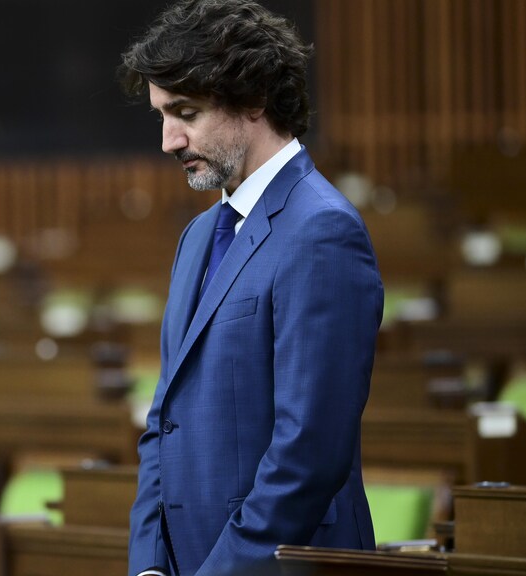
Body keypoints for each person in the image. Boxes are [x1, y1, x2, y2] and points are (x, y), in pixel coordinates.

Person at [118, 1, 384, 574]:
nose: (169, 140)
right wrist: (149, 565)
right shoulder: (197, 236)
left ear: (255, 98)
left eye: (185, 112)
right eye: (162, 116)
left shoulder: (323, 231)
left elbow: (308, 453)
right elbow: (164, 420)